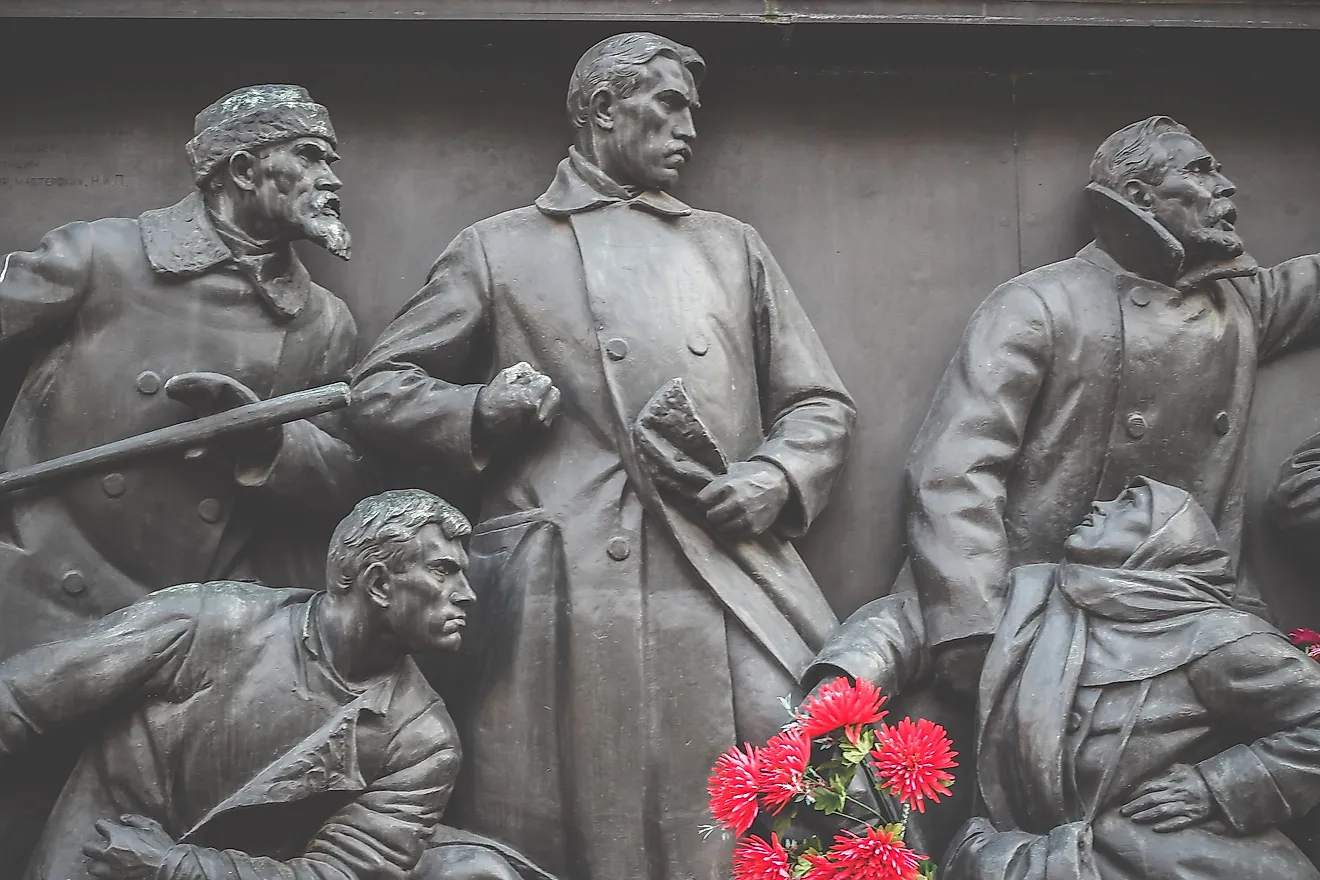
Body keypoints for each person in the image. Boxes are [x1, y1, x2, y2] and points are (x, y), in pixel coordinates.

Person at [350, 32, 855, 880]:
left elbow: (818, 404)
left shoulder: (730, 246)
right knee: (581, 829)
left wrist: (770, 480)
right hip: (566, 590)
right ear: (601, 110)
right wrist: (481, 408)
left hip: (719, 566)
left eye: (693, 109)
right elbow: (379, 389)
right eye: (668, 103)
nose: (690, 127)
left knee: (802, 778)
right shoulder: (499, 247)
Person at [818, 115, 1320, 700]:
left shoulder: (1238, 304)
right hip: (1047, 609)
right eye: (1201, 170)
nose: (1226, 187)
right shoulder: (1038, 304)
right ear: (1140, 196)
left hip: (1188, 619)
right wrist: (974, 625)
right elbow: (954, 472)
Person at [0, 83, 372, 868]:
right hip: (35, 596)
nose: (331, 175)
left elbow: (344, 481)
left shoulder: (321, 322)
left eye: (332, 156)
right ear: (240, 168)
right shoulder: (103, 255)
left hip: (168, 642)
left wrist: (263, 444)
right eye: (309, 155)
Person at [0, 489, 551, 880]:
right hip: (99, 848)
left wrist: (173, 869)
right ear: (378, 582)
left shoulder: (422, 742)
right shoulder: (213, 619)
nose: (467, 594)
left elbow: (336, 876)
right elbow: (23, 699)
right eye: (443, 572)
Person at [940, 476, 1320, 878]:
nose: (1099, 505)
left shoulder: (1218, 636)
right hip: (1041, 851)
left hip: (1170, 858)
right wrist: (864, 678)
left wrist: (1218, 787)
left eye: (1127, 504)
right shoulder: (1033, 595)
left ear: (1161, 541)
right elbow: (909, 623)